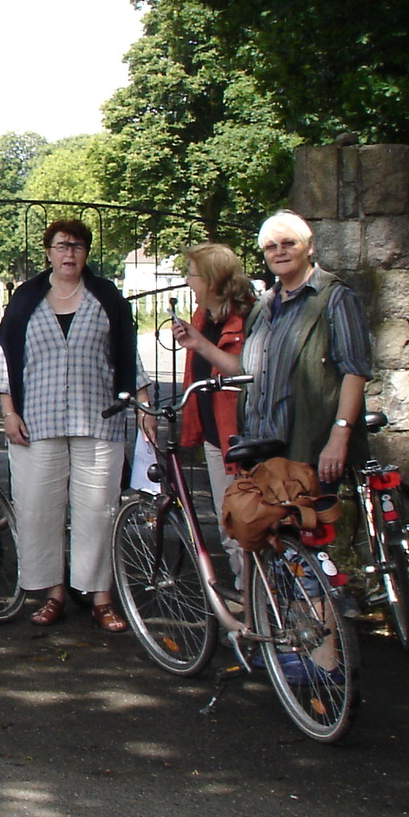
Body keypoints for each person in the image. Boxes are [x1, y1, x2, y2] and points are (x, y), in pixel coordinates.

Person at [0, 220, 144, 632]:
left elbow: (128, 356)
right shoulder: (26, 299)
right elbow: (6, 358)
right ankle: (53, 592)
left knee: (97, 510)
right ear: (48, 252)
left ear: (86, 253)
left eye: (77, 246)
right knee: (38, 509)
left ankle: (100, 597)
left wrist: (144, 409)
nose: (69, 253)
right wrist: (9, 411)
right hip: (36, 421)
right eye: (61, 246)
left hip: (98, 419)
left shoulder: (106, 298)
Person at [239, 210, 373, 488]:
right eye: (271, 247)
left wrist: (339, 436)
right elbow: (250, 372)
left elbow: (355, 372)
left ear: (309, 247)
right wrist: (198, 344)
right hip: (262, 450)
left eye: (289, 243)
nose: (280, 252)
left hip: (308, 450)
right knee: (259, 529)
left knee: (307, 529)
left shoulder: (335, 298)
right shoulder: (263, 307)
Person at [170, 242, 257, 590]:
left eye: (192, 273)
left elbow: (245, 370)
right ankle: (250, 604)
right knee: (229, 526)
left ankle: (258, 609)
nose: (188, 280)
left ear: (212, 279)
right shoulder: (203, 315)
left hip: (239, 436)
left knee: (245, 525)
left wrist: (201, 346)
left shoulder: (249, 316)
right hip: (212, 435)